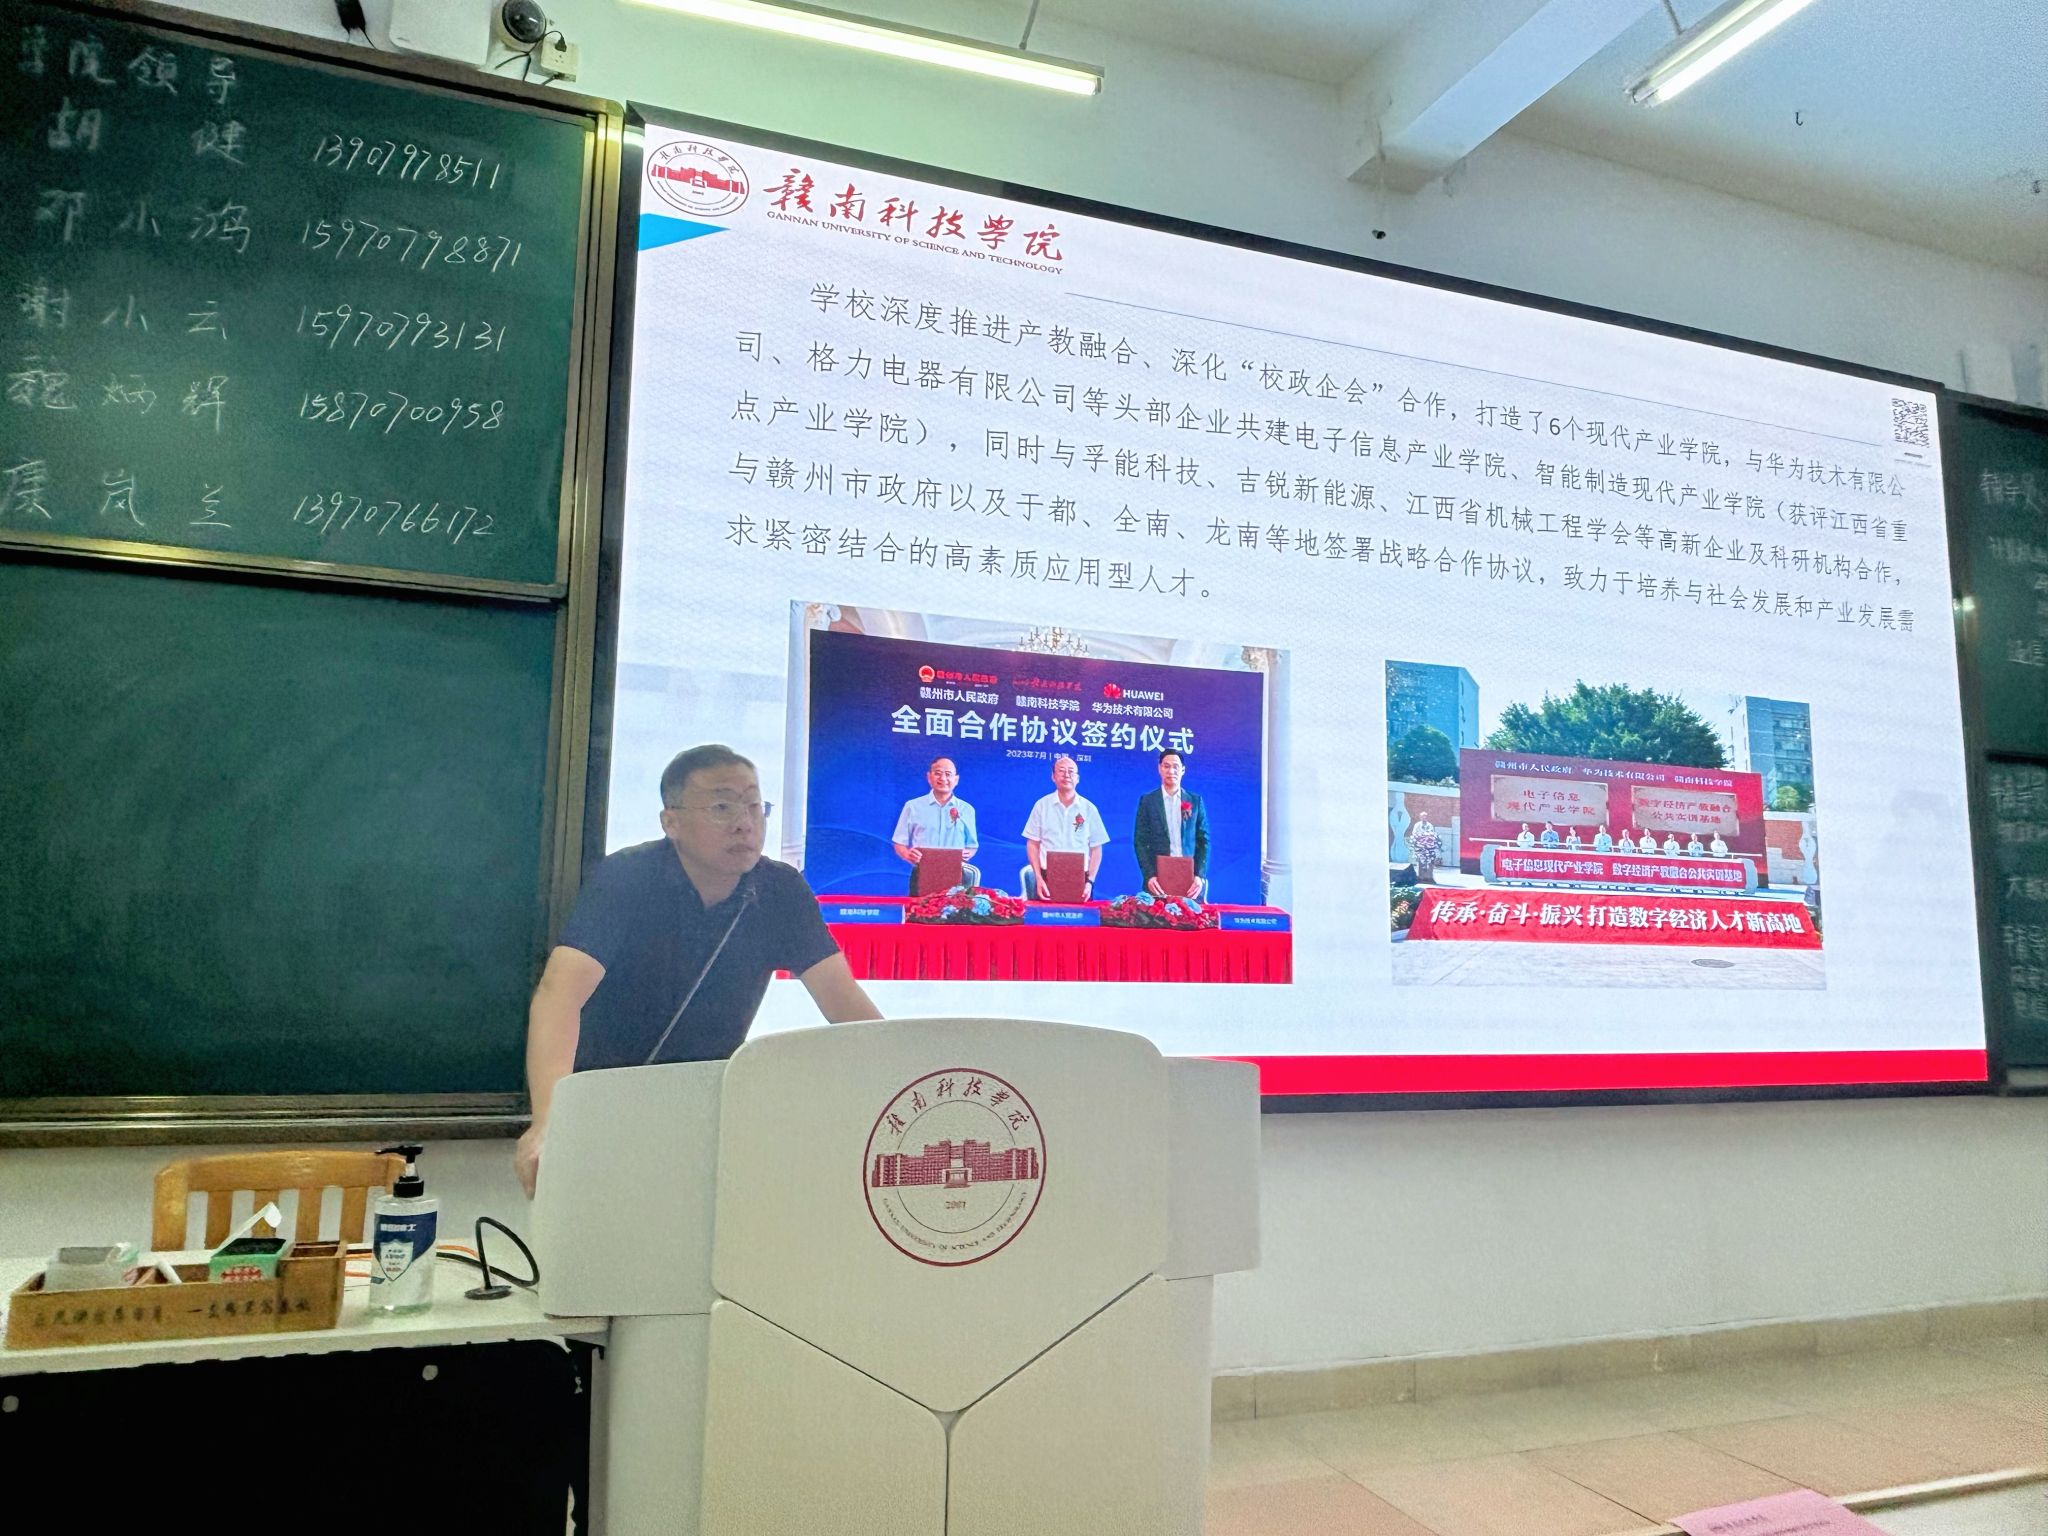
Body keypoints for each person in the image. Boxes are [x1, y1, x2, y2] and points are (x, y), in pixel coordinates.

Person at [515, 744, 880, 1197]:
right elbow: (560, 994)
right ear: (671, 822)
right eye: (722, 807)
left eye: (754, 805)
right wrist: (550, 1122)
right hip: (603, 1103)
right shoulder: (628, 877)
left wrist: (906, 1077)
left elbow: (846, 1004)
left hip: (706, 1110)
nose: (744, 822)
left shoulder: (781, 890)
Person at [1021, 755, 1109, 900]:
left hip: (1080, 879)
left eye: (1071, 772)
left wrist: (1090, 882)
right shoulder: (1042, 806)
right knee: (1042, 915)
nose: (1066, 775)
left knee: (1081, 915)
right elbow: (1032, 844)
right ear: (1053, 777)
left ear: (1077, 778)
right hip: (1046, 877)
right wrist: (1038, 878)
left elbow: (1096, 849)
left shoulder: (1089, 809)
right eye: (1061, 771)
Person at [891, 755, 978, 892]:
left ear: (956, 780)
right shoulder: (913, 806)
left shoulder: (966, 809)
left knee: (956, 907)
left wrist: (967, 854)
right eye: (938, 773)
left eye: (948, 774)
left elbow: (972, 846)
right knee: (919, 906)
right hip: (922, 873)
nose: (943, 778)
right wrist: (908, 855)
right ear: (929, 777)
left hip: (957, 875)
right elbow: (899, 842)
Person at [1133, 748, 1210, 898]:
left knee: (1190, 913)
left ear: (1183, 770)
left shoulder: (1195, 801)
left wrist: (1199, 876)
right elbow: (1140, 841)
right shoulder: (1148, 801)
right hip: (1158, 880)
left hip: (1190, 879)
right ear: (1159, 769)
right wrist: (1149, 876)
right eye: (1166, 766)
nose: (1171, 771)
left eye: (1176, 767)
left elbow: (1204, 841)